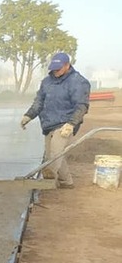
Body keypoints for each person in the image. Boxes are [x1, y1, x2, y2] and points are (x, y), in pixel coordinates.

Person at [20, 52, 90, 188]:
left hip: (65, 123)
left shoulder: (78, 81)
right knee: (53, 154)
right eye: (54, 69)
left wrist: (71, 124)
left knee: (54, 154)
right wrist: (28, 115)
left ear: (67, 65)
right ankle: (66, 182)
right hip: (48, 123)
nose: (55, 72)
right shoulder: (47, 82)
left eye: (58, 69)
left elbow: (81, 105)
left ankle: (47, 180)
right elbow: (39, 102)